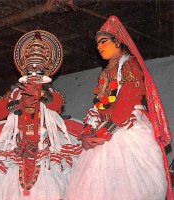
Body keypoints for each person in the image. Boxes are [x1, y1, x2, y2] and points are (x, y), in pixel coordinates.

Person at [0, 30, 83, 200]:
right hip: (17, 144)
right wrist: (19, 104)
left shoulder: (51, 94)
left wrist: (40, 95)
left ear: (45, 74)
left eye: (38, 72)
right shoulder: (16, 94)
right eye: (30, 71)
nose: (33, 75)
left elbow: (57, 105)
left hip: (46, 145)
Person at [65, 15, 172, 200]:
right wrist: (88, 131)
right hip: (104, 132)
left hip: (125, 129)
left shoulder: (130, 64)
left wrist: (104, 132)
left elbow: (128, 99)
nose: (99, 46)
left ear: (118, 41)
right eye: (97, 43)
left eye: (104, 41)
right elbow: (100, 105)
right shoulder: (106, 72)